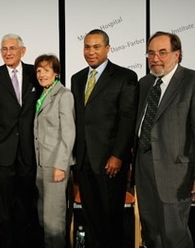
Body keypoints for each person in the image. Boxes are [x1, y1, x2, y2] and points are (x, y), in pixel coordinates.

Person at [70, 29, 138, 248]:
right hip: (84, 160)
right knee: (91, 218)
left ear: (108, 49)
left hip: (110, 161)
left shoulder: (125, 77)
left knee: (111, 219)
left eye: (96, 47)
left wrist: (118, 155)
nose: (91, 51)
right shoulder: (77, 78)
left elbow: (127, 119)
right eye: (87, 47)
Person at [134, 31, 195, 248]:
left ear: (177, 54)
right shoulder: (144, 83)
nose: (155, 58)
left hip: (175, 173)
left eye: (162, 52)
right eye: (151, 53)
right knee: (151, 234)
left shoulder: (191, 81)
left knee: (174, 235)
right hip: (144, 168)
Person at [0, 33, 41, 248]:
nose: (8, 52)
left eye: (12, 48)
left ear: (22, 51)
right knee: (4, 206)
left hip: (29, 151)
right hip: (1, 152)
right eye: (4, 49)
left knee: (26, 203)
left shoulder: (37, 73)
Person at [33, 54, 75, 248]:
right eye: (39, 70)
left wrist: (61, 165)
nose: (42, 74)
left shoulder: (64, 95)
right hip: (41, 163)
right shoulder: (42, 94)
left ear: (56, 73)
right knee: (44, 216)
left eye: (47, 70)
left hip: (55, 165)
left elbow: (68, 133)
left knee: (54, 219)